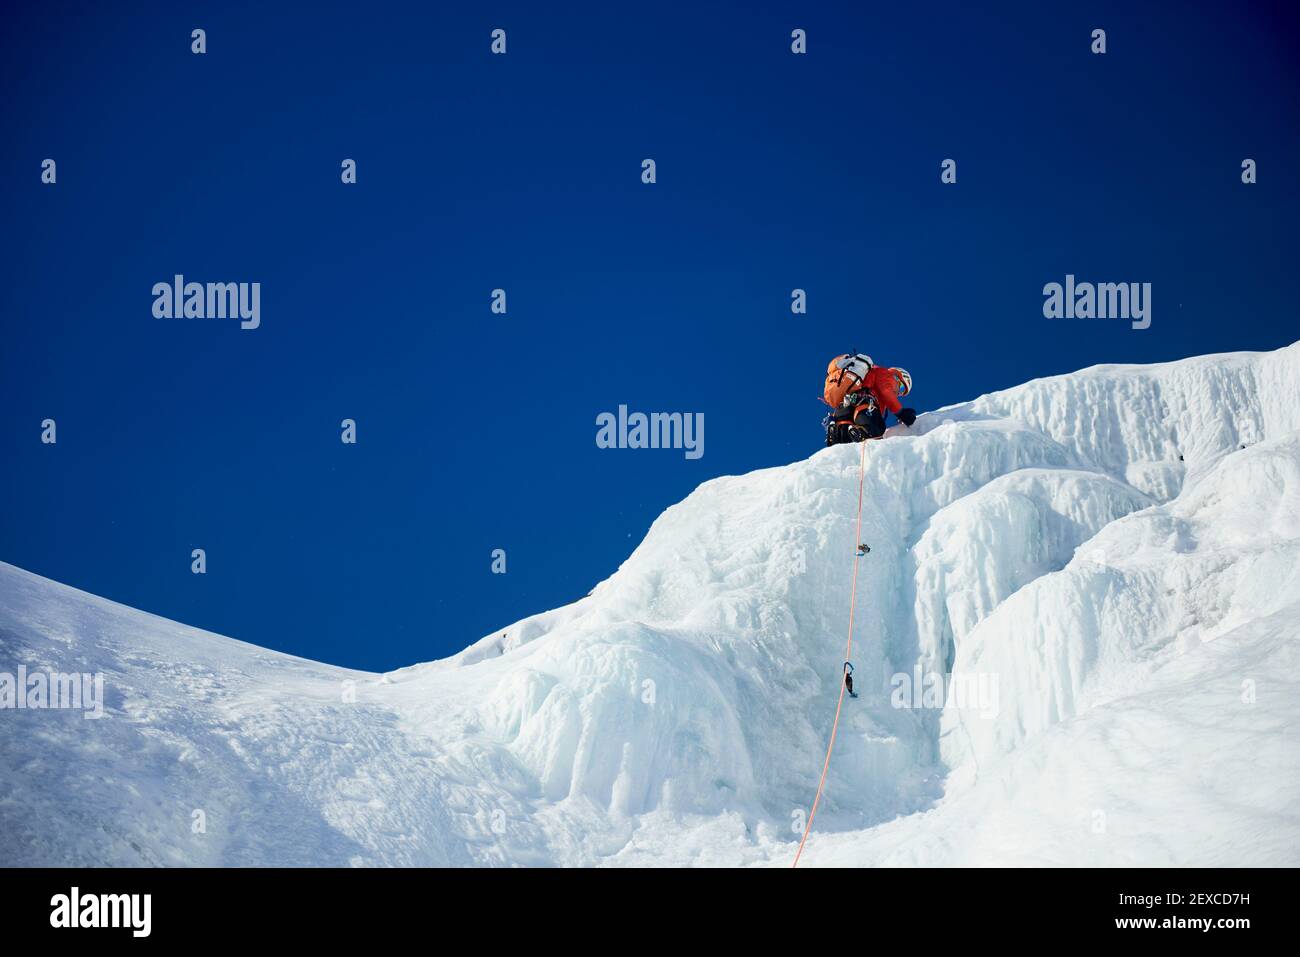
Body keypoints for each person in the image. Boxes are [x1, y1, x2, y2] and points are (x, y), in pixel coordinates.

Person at [822, 354, 916, 446]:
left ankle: (835, 430)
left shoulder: (867, 374)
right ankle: (859, 434)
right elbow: (885, 391)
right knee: (876, 430)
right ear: (898, 376)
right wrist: (901, 412)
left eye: (902, 393)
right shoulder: (886, 374)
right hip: (864, 404)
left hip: (845, 404)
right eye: (902, 388)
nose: (899, 393)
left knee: (842, 436)